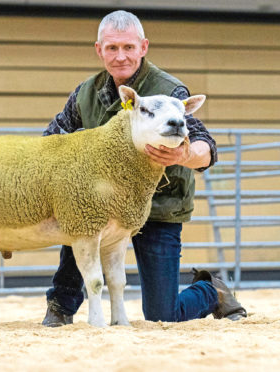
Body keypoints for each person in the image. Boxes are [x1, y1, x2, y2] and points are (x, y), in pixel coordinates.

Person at [41, 10, 247, 327]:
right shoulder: (86, 94)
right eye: (112, 48)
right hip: (104, 205)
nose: (120, 56)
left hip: (159, 207)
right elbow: (51, 139)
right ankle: (60, 306)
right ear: (99, 50)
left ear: (143, 47)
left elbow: (207, 147)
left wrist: (183, 155)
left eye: (128, 47)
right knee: (81, 214)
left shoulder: (169, 91)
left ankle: (211, 291)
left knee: (162, 315)